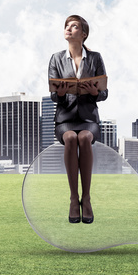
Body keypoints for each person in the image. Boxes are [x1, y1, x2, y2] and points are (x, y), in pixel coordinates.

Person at [48, 15, 107, 224]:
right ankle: (74, 198)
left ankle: (87, 198)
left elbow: (104, 93)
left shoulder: (96, 58)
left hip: (89, 119)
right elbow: (54, 95)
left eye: (74, 26)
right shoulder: (56, 58)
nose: (68, 29)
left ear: (83, 34)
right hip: (65, 119)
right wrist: (62, 94)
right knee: (72, 137)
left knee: (84, 137)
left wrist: (93, 92)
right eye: (66, 26)